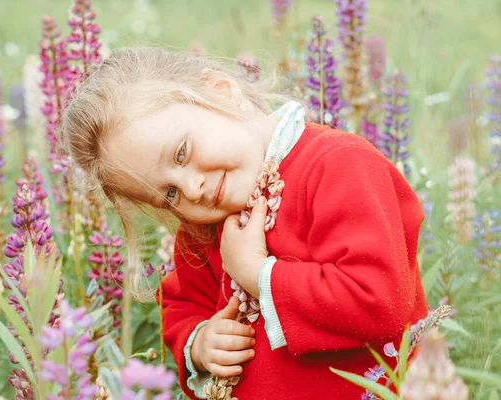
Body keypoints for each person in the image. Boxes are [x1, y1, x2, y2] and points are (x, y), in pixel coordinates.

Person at [63, 47, 428, 399]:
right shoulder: (202, 230)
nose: (193, 189)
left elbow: (378, 301)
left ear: (222, 92)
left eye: (181, 153)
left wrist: (257, 274)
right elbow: (184, 305)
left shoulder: (338, 166)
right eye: (169, 195)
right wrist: (202, 343)